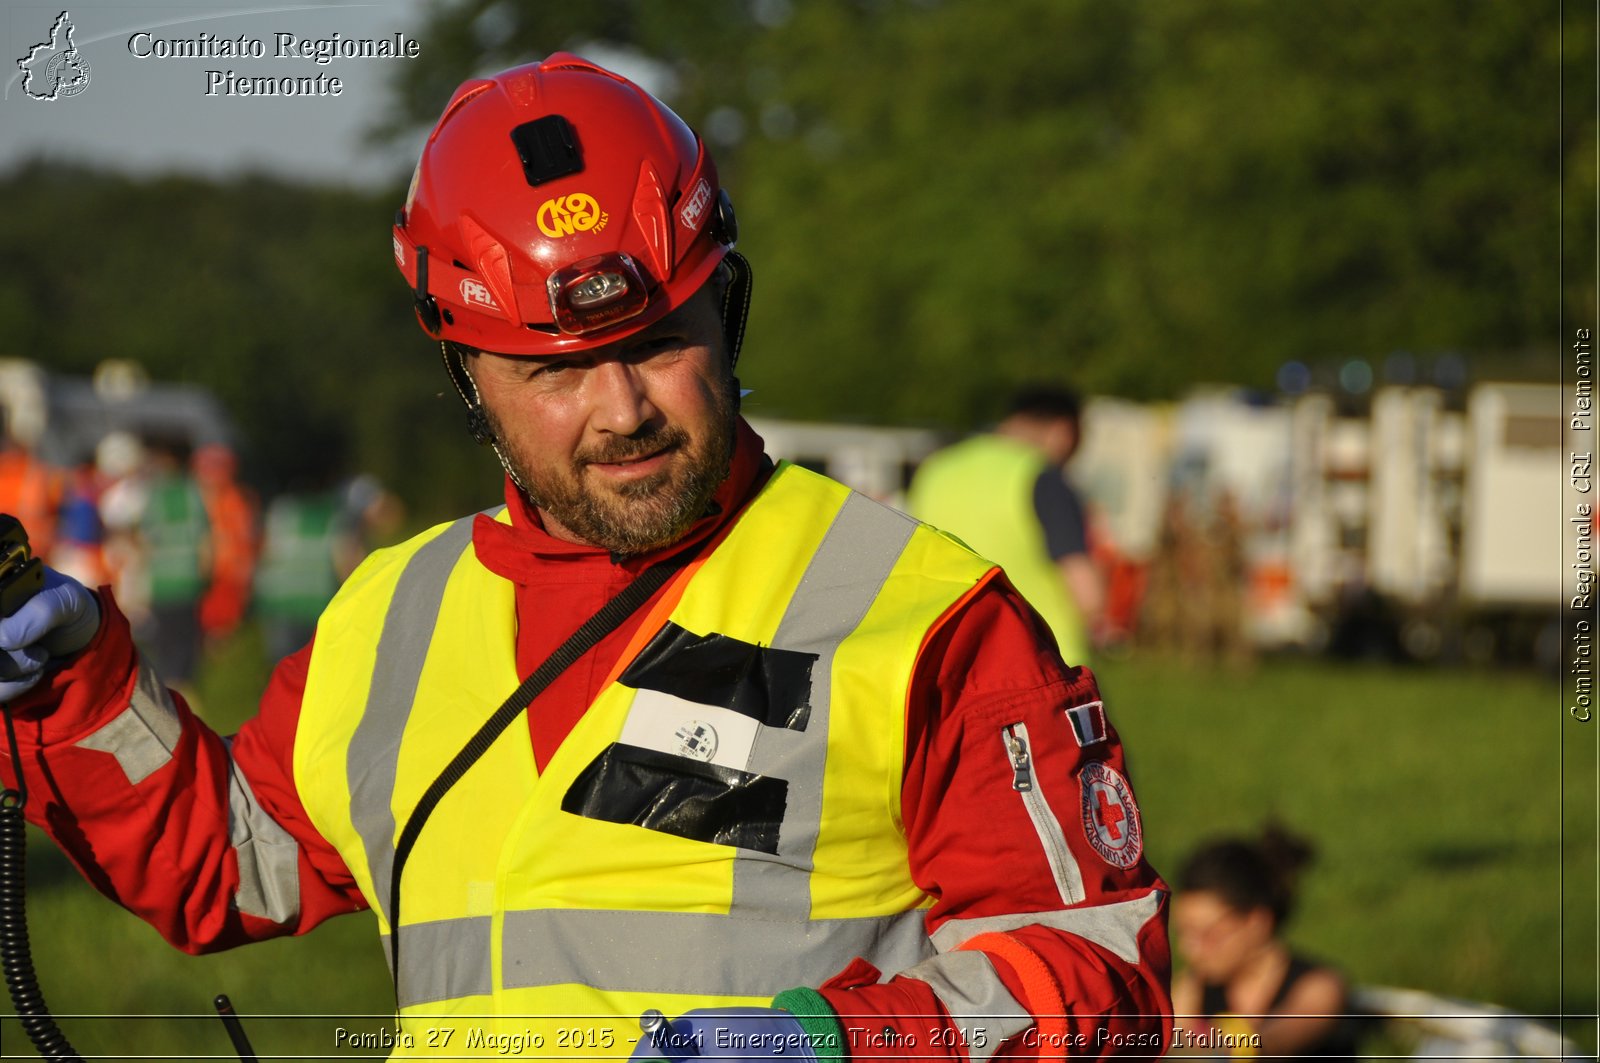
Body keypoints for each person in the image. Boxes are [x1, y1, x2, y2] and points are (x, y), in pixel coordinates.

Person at [0, 54, 1170, 1059]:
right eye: (552, 370)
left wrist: (842, 1040)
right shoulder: (385, 616)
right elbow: (231, 860)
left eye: (660, 343)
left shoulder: (921, 613)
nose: (620, 410)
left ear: (730, 308)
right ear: (467, 373)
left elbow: (1098, 969)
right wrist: (73, 686)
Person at [907, 387, 1103, 666]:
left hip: (949, 658)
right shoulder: (1041, 476)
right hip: (1043, 660)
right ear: (1063, 430)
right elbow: (1086, 590)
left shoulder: (934, 470)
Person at [1170, 826, 1358, 1061]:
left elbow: (1276, 1043)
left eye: (1207, 935)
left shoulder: (1320, 987)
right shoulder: (1193, 987)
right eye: (1184, 934)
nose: (1188, 950)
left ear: (1257, 922)